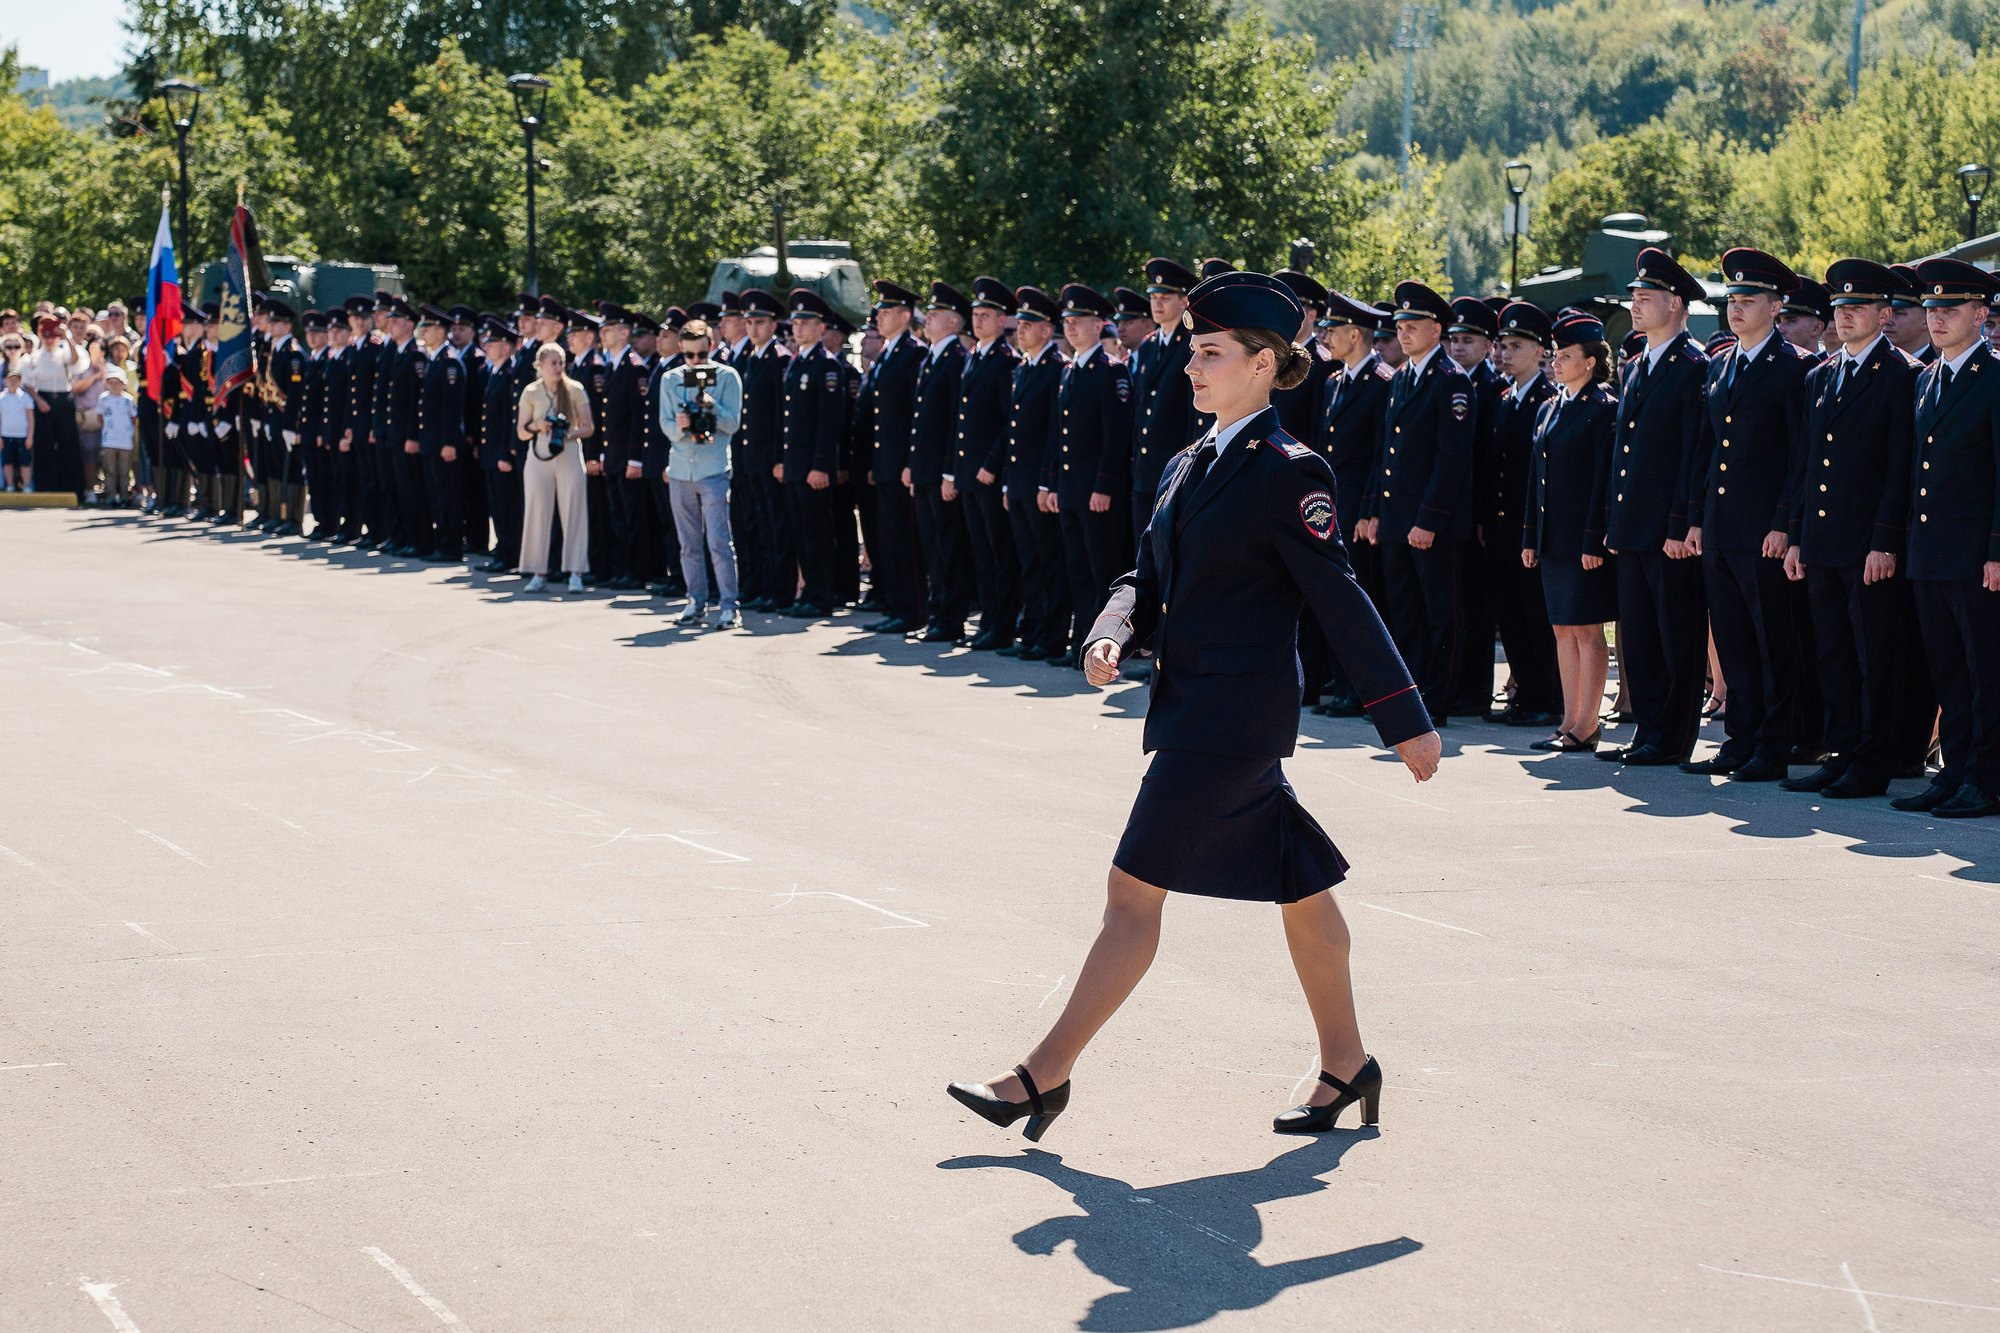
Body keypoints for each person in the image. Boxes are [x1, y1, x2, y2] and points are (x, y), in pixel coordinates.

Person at [946, 271, 1442, 1142]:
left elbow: (1339, 597)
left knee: (1131, 894)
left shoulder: (1291, 471)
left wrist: (1405, 717)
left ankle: (1042, 1075)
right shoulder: (1188, 462)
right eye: (1192, 353)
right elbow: (1146, 573)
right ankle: (1347, 1063)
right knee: (1300, 883)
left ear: (1263, 364)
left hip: (1231, 719)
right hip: (1191, 707)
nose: (1192, 367)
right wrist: (1112, 630)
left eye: (1210, 354)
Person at [1779, 259, 1920, 799]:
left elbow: (1898, 465)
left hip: (1868, 544)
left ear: (1884, 314)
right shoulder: (1821, 375)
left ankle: (1874, 757)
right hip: (1823, 539)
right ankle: (1841, 750)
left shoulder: (1903, 374)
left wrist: (1884, 539)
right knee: (1833, 652)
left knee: (1875, 655)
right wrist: (1795, 535)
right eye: (1839, 307)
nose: (1845, 315)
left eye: (1857, 306)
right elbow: (1806, 464)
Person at [1684, 248, 1811, 783]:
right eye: (1732, 299)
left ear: (1777, 306)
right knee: (1733, 637)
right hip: (1721, 525)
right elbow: (1706, 449)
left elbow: (1799, 456)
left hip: (1764, 529)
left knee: (1772, 640)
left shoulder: (1794, 368)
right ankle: (1740, 738)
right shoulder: (1719, 364)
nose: (1736, 308)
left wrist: (1783, 522)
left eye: (1749, 299)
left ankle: (1773, 744)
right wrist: (1694, 518)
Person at [1891, 258, 2000, 818]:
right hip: (1931, 551)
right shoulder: (1928, 377)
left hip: (1974, 554)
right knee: (1949, 671)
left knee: (1985, 673)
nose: (1936, 318)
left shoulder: (1996, 377)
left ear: (1981, 314)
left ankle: (1986, 779)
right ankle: (1955, 771)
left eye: (1949, 308)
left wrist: (1996, 550)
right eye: (1931, 308)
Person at [1599, 248, 1711, 767]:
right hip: (1635, 524)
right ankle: (1647, 727)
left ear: (1677, 304)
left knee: (1674, 635)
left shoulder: (1692, 365)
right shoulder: (1638, 361)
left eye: (1647, 298)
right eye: (1635, 297)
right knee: (1639, 634)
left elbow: (1693, 451)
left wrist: (1680, 522)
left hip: (1667, 529)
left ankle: (1673, 735)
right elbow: (1624, 452)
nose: (1636, 305)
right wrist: (1616, 522)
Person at [1360, 280, 1474, 725]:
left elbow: (1451, 461)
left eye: (1413, 325)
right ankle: (1406, 698)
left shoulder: (1451, 381)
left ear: (1436, 328)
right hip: (1395, 519)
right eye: (1400, 325)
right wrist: (1373, 510)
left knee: (1438, 614)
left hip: (1429, 524)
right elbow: (1384, 452)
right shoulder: (1402, 377)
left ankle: (1435, 700)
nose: (1403, 333)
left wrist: (1428, 520)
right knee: (1403, 613)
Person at [1522, 312, 1619, 752]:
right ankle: (1569, 719)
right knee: (1562, 629)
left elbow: (1604, 480)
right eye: (1555, 355)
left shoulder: (1604, 408)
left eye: (1566, 356)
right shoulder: (1550, 406)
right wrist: (1530, 536)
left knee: (1587, 630)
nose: (1556, 363)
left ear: (1591, 362)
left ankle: (1587, 722)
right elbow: (1535, 478)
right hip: (1554, 537)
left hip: (1584, 540)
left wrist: (1594, 539)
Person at [1307, 291, 1397, 718]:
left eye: (1333, 329)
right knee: (1333, 599)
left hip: (1358, 507)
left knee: (1357, 602)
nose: (1325, 336)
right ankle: (1341, 687)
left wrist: (1368, 511)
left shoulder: (1382, 381)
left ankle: (1361, 690)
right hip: (1330, 506)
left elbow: (1381, 454)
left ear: (1356, 334)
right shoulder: (1334, 380)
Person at [1479, 302, 1562, 728]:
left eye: (1516, 345)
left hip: (1530, 527)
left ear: (1540, 352)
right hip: (1500, 526)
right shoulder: (1504, 398)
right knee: (1511, 617)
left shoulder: (1547, 400)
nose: (1505, 353)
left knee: (1536, 616)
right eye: (1502, 345)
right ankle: (1527, 693)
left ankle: (1547, 697)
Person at [1046, 283, 1133, 662]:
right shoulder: (1069, 371)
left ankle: (1103, 644)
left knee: (1102, 572)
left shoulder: (1110, 371)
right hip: (1069, 489)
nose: (1071, 328)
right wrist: (1051, 484)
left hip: (1096, 493)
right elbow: (1058, 435)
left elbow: (1116, 438)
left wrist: (1104, 485)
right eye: (1067, 322)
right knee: (1076, 569)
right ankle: (1081, 639)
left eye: (1079, 321)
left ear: (1099, 325)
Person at [999, 284, 1071, 661]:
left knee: (1049, 562)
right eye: (1020, 324)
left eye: (1029, 324)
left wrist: (1046, 482)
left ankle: (1052, 635)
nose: (1020, 330)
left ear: (1046, 330)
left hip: (1041, 482)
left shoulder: (1055, 367)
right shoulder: (1025, 367)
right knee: (1029, 561)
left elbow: (1052, 433)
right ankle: (1032, 631)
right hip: (1021, 480)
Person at [953, 277, 1021, 650]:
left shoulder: (1004, 360)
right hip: (969, 473)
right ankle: (988, 623)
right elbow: (962, 420)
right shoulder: (975, 357)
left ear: (1002, 321)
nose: (978, 320)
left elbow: (1008, 421)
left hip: (990, 475)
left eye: (986, 315)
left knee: (999, 553)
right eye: (975, 314)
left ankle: (1002, 624)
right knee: (981, 552)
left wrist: (991, 463)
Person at [662, 319, 744, 628]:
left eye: (702, 355)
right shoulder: (670, 379)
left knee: (720, 543)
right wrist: (680, 425)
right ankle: (695, 601)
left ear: (711, 347)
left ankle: (728, 605)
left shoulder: (727, 377)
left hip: (713, 469)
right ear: (681, 349)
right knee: (689, 543)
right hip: (681, 468)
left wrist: (713, 407)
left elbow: (733, 424)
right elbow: (665, 424)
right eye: (690, 356)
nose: (696, 362)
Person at [860, 281, 929, 634]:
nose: (879, 316)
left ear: (904, 315)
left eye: (886, 312)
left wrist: (908, 462)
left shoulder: (914, 353)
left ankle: (914, 609)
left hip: (903, 464)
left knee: (907, 540)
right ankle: (899, 605)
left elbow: (915, 414)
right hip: (885, 463)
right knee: (890, 538)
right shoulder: (887, 353)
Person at [908, 282, 973, 641]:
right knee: (933, 546)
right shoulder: (933, 358)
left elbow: (953, 423)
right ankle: (937, 614)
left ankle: (950, 619)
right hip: (926, 470)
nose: (928, 321)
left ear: (952, 323)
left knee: (948, 548)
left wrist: (949, 471)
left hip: (942, 472)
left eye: (934, 316)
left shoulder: (955, 360)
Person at [777, 288, 847, 619]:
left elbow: (829, 422)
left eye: (806, 322)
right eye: (795, 322)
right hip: (795, 465)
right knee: (801, 532)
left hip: (813, 468)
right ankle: (807, 593)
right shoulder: (796, 363)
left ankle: (821, 595)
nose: (798, 328)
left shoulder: (826, 365)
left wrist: (821, 465)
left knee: (817, 533)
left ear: (821, 328)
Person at [515, 342, 594, 594]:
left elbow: (589, 426)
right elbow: (521, 432)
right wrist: (537, 426)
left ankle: (575, 572)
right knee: (537, 511)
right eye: (553, 363)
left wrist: (569, 432)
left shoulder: (575, 389)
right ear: (540, 366)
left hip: (568, 451)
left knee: (574, 510)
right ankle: (538, 572)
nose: (558, 367)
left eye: (561, 362)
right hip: (539, 453)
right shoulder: (531, 391)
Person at [96, 366, 138, 506]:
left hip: (125, 440)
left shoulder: (128, 400)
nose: (114, 386)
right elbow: (100, 417)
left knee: (124, 471)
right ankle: (111, 496)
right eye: (111, 382)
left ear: (124, 384)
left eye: (117, 382)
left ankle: (125, 497)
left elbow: (133, 417)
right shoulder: (103, 399)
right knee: (110, 471)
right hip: (109, 441)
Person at [0, 368, 34, 491]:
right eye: (10, 380)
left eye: (15, 380)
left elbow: (31, 419)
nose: (13, 382)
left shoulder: (25, 397)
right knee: (7, 462)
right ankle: (9, 485)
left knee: (24, 462)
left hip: (22, 436)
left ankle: (26, 486)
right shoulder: (1, 398)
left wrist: (30, 436)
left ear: (20, 381)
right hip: (6, 435)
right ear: (5, 381)